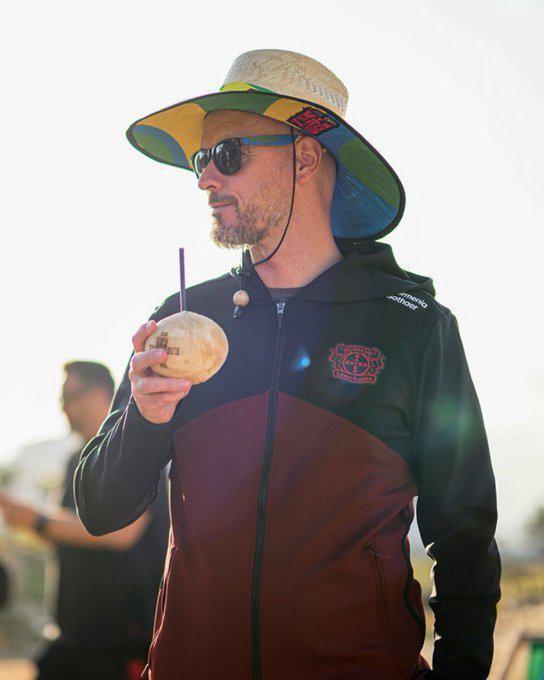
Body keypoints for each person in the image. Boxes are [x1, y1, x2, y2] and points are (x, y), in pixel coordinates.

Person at [74, 49, 501, 679]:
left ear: (304, 155)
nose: (204, 179)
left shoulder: (414, 326)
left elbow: (464, 532)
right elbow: (100, 510)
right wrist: (144, 417)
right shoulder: (182, 319)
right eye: (200, 159)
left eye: (228, 154)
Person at [0, 360, 169, 680]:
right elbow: (66, 531)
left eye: (72, 396)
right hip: (74, 637)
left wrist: (37, 520)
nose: (65, 407)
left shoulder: (134, 454)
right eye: (62, 399)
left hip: (121, 642)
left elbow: (123, 534)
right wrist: (26, 520)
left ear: (103, 393)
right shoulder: (73, 462)